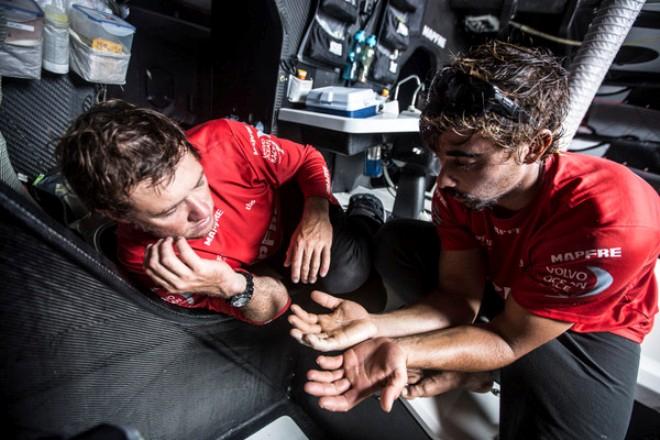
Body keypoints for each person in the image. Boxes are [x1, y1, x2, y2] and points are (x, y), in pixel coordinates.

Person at [289, 41, 660, 438]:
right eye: (441, 158)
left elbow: (509, 338)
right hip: (509, 286)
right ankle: (469, 367)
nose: (443, 180)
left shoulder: (610, 222)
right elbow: (457, 298)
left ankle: (471, 370)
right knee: (396, 241)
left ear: (534, 147)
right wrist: (375, 327)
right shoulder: (461, 190)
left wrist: (407, 349)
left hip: (585, 326)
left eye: (465, 160)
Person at [57, 100, 384, 325]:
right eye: (171, 209)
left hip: (303, 219)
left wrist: (316, 213)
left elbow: (307, 159)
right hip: (265, 268)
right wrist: (229, 285)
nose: (203, 210)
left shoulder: (224, 139)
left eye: (199, 182)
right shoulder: (145, 261)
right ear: (119, 216)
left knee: (347, 270)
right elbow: (274, 307)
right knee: (312, 316)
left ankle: (366, 212)